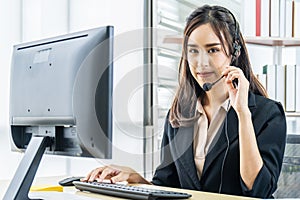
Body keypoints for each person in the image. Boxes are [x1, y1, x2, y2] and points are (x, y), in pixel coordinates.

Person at [82, 5, 286, 198]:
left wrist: (242, 112)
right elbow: (166, 188)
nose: (201, 63)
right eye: (193, 51)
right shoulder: (179, 114)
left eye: (213, 50)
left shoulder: (267, 114)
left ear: (234, 52)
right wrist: (136, 178)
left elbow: (258, 190)